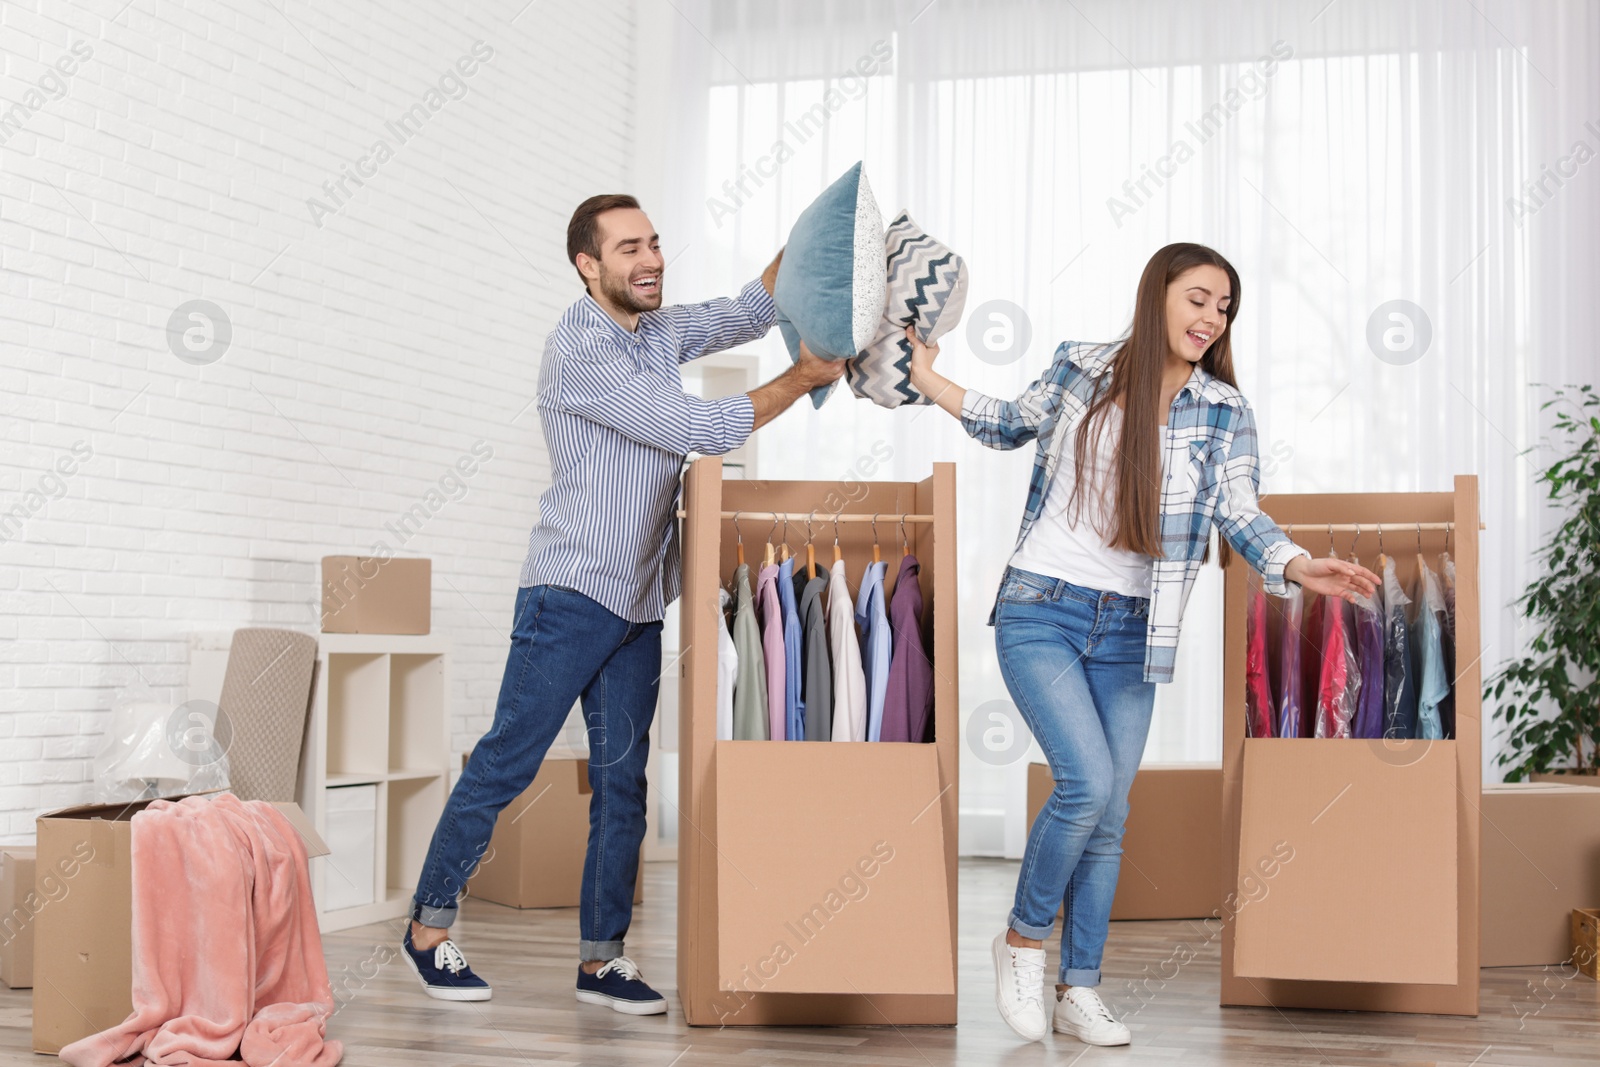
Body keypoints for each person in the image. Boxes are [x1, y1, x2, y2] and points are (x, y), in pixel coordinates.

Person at [906, 242, 1380, 1047]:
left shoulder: (1223, 410)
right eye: (1198, 298)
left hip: (1133, 628)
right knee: (1086, 785)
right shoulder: (1082, 366)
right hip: (1041, 606)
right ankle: (1022, 940)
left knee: (1111, 813)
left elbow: (1239, 511)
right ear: (1158, 292)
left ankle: (1078, 988)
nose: (1210, 318)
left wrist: (1298, 565)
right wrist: (926, 378)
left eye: (1224, 308)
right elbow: (1007, 421)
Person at [401, 194, 843, 1013]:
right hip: (569, 595)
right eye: (629, 248)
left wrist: (819, 241)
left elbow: (750, 306)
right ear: (587, 264)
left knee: (624, 784)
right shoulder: (580, 351)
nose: (651, 260)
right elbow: (698, 425)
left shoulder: (656, 330)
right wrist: (803, 377)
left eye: (655, 243)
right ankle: (427, 929)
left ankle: (601, 960)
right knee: (507, 761)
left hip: (638, 600)